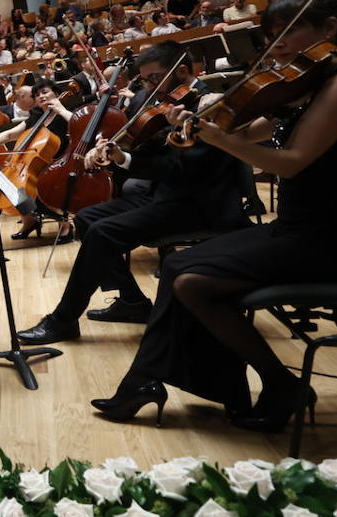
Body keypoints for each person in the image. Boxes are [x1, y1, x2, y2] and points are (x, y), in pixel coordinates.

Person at [93, 0, 337, 431]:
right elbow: (254, 130)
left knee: (189, 280)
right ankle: (175, 382)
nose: (276, 44)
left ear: (329, 29)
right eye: (271, 35)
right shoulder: (305, 86)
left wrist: (218, 139)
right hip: (297, 228)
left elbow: (291, 163)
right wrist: (201, 123)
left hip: (335, 236)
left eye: (288, 32)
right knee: (179, 268)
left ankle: (259, 383)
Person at [17, 43, 248, 345]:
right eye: (145, 81)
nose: (149, 88)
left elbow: (180, 169)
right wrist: (110, 152)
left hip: (198, 202)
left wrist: (124, 159)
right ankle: (132, 301)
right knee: (87, 218)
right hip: (163, 193)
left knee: (103, 232)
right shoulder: (161, 104)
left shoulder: (210, 103)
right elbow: (147, 151)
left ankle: (63, 320)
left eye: (155, 79)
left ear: (182, 71)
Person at [0, 79, 75, 240]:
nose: (41, 97)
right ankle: (29, 220)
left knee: (45, 184)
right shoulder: (36, 117)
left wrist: (61, 110)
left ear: (56, 94)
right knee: (13, 184)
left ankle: (65, 224)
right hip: (38, 163)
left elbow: (81, 124)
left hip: (62, 162)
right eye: (37, 95)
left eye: (45, 92)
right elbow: (10, 134)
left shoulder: (66, 114)